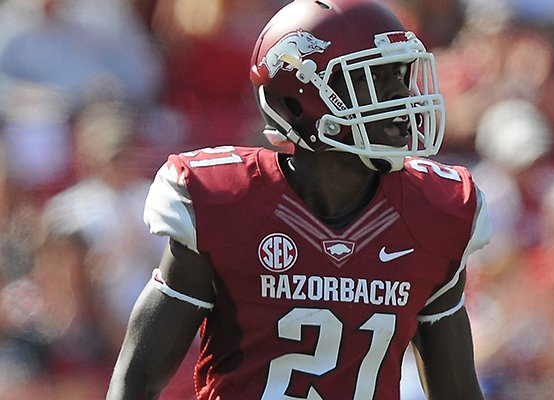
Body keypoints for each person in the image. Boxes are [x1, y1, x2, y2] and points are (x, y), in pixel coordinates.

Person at [106, 0, 492, 399]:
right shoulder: (225, 205)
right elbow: (135, 380)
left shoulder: (433, 214)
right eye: (372, 79)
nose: (400, 97)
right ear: (295, 101)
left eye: (399, 75)